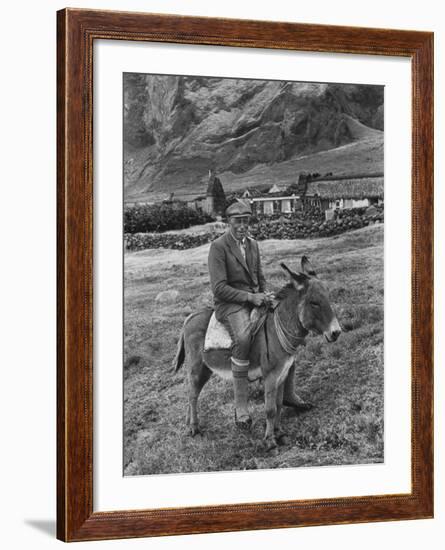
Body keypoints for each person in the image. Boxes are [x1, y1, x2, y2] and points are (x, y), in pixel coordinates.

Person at [208, 200, 311, 429]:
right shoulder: (218, 247)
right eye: (237, 222)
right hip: (230, 304)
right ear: (228, 222)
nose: (242, 226)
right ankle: (241, 406)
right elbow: (219, 288)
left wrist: (266, 294)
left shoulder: (253, 244)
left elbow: (259, 276)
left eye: (245, 221)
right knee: (243, 338)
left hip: (255, 298)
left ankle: (289, 394)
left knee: (286, 331)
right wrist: (250, 298)